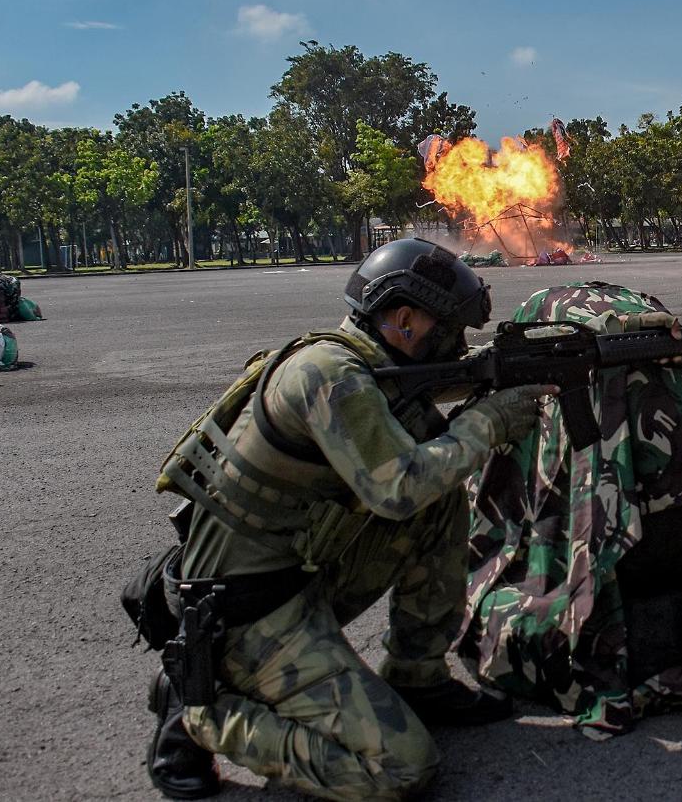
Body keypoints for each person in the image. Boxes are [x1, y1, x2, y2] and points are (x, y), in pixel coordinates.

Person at [141, 238, 557, 801]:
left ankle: (417, 676)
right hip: (248, 612)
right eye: (447, 330)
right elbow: (398, 489)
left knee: (439, 499)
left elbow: (447, 384)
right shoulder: (331, 376)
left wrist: (508, 368)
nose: (458, 345)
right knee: (400, 767)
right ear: (404, 320)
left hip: (298, 571)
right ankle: (201, 712)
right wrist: (488, 422)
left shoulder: (367, 362)